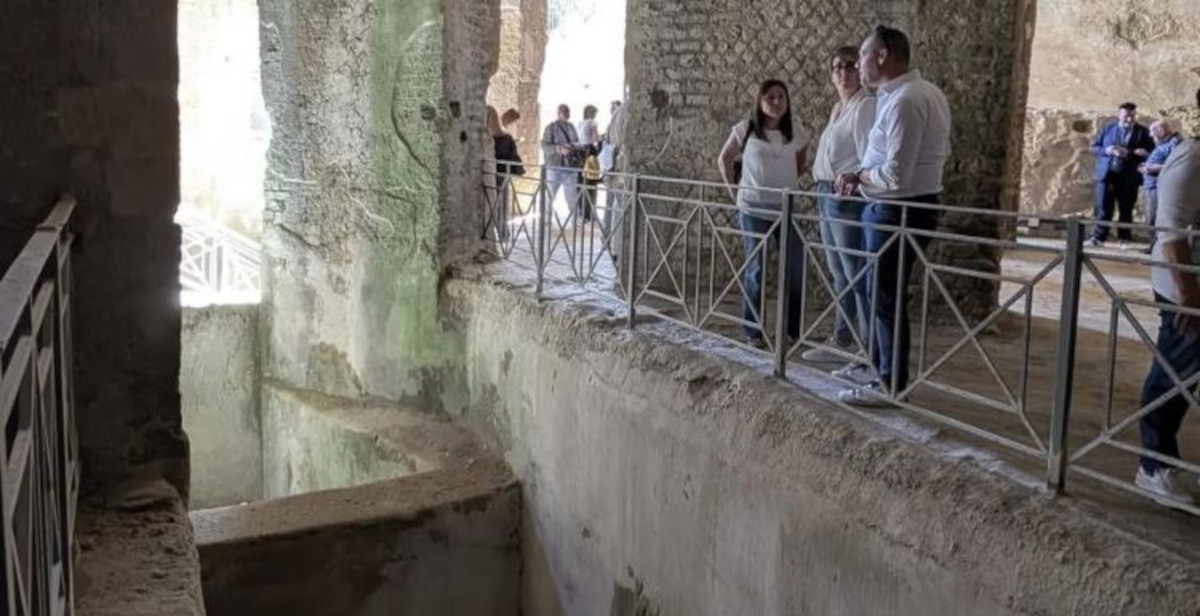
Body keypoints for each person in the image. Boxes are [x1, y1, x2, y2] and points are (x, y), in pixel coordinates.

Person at [833, 25, 951, 406]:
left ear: (883, 55)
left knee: (885, 296)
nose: (860, 64)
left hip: (897, 209)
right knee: (879, 293)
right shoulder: (912, 93)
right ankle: (880, 370)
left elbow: (895, 174)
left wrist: (859, 175)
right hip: (898, 206)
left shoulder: (905, 100)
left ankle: (889, 385)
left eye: (863, 56)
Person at [1133, 88, 1200, 508]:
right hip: (1185, 287)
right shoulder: (1192, 159)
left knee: (1184, 370)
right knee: (1175, 370)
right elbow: (1171, 232)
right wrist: (1189, 295)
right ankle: (1154, 465)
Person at [717, 79, 811, 348]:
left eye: (781, 96)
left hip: (786, 209)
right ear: (760, 101)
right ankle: (752, 330)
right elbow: (724, 159)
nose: (776, 101)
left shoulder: (797, 133)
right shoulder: (746, 129)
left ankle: (792, 330)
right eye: (770, 97)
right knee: (756, 268)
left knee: (794, 268)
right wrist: (733, 192)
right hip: (754, 208)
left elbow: (800, 164)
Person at [801, 45, 877, 363]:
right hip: (825, 194)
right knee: (839, 273)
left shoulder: (864, 107)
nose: (843, 72)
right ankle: (842, 339)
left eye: (849, 66)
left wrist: (854, 177)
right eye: (837, 67)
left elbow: (867, 155)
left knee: (854, 273)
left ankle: (868, 347)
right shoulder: (838, 109)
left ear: (860, 70)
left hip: (845, 199)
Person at [1088, 102, 1154, 249]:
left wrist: (1134, 153)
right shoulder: (1108, 128)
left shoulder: (1143, 132)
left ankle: (1124, 238)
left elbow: (1151, 152)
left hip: (1128, 176)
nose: (1129, 119)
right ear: (1119, 115)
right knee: (1103, 207)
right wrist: (1108, 150)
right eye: (1126, 116)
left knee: (1126, 208)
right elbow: (1094, 147)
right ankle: (1098, 237)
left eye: (1132, 116)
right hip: (1106, 174)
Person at [1138, 119, 1183, 254]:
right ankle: (1154, 246)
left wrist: (1152, 168)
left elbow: (1175, 165)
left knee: (1154, 217)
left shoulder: (1174, 144)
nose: (1151, 136)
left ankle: (1157, 248)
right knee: (1151, 217)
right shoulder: (1165, 143)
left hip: (1158, 187)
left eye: (1153, 132)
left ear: (1162, 131)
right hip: (1152, 185)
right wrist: (1147, 161)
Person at [542, 104, 585, 221]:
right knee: (550, 194)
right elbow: (545, 145)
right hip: (555, 166)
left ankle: (575, 219)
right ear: (559, 113)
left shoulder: (571, 127)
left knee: (571, 195)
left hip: (570, 166)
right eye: (564, 112)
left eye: (568, 112)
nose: (567, 114)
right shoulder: (550, 128)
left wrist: (571, 146)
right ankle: (546, 217)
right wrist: (559, 149)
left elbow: (577, 142)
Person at [487, 106, 523, 241]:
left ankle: (500, 231)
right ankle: (503, 233)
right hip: (501, 172)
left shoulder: (489, 135)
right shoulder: (505, 136)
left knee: (494, 202)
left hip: (491, 171)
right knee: (501, 202)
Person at [576, 105, 602, 222]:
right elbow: (595, 138)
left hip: (580, 153)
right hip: (590, 153)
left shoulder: (580, 123)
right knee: (592, 183)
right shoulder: (592, 122)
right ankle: (590, 213)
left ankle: (582, 212)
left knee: (582, 183)